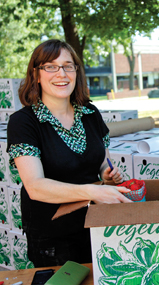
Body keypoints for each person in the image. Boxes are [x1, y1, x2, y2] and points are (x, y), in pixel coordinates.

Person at [6, 39, 132, 267]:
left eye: (68, 65)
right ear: (36, 74)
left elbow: (103, 158)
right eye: (50, 66)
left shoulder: (90, 112)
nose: (61, 73)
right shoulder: (23, 122)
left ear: (76, 71)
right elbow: (35, 186)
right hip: (53, 235)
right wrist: (93, 191)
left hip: (98, 224)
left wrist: (106, 173)